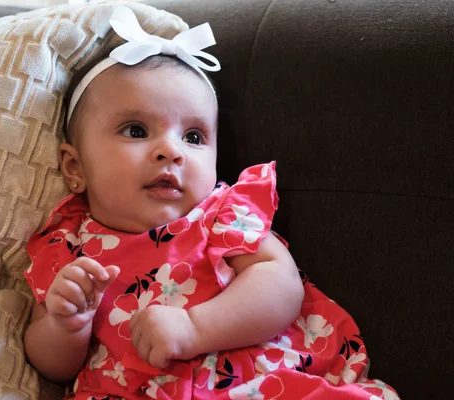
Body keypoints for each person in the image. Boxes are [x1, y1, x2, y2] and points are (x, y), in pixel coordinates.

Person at [23, 6, 399, 400]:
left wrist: (194, 329)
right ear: (74, 166)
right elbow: (51, 364)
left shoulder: (220, 215)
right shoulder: (67, 248)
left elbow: (280, 285)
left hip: (253, 384)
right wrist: (67, 325)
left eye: (194, 137)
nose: (171, 150)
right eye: (136, 130)